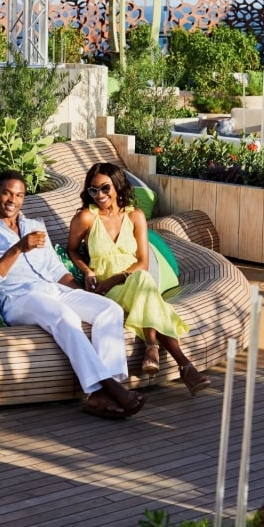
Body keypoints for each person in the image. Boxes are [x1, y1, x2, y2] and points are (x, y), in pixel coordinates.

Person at [0, 169, 146, 419]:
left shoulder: (34, 226)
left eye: (19, 195)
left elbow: (55, 269)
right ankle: (111, 388)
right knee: (64, 316)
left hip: (54, 290)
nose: (12, 200)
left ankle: (102, 395)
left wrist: (84, 293)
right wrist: (18, 248)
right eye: (7, 193)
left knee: (109, 309)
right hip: (19, 299)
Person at [67, 162, 210, 396]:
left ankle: (156, 348)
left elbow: (143, 261)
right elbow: (72, 249)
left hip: (130, 280)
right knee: (146, 288)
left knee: (142, 279)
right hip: (106, 291)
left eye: (105, 188)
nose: (99, 195)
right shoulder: (86, 218)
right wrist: (88, 271)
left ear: (118, 186)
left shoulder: (135, 216)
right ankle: (182, 364)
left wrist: (118, 278)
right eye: (93, 190)